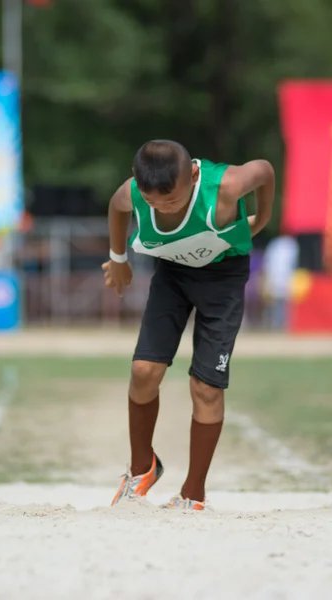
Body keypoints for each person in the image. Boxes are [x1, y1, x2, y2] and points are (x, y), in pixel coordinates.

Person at [102, 140, 274, 510]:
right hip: (174, 275)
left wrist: (263, 218)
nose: (162, 208)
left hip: (223, 279)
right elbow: (117, 207)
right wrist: (118, 259)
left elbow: (264, 169)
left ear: (193, 176)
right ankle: (142, 468)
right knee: (144, 371)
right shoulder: (131, 192)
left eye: (173, 201)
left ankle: (193, 492)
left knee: (206, 387)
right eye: (153, 203)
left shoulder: (225, 187)